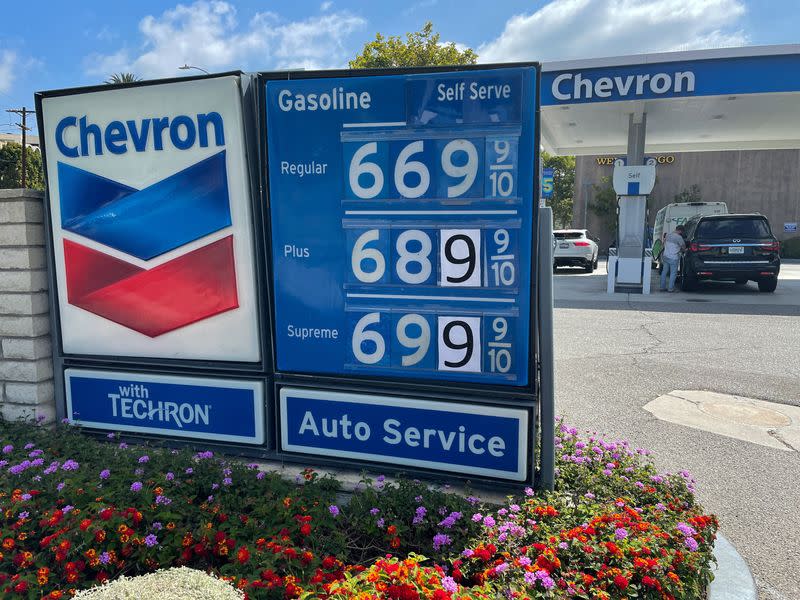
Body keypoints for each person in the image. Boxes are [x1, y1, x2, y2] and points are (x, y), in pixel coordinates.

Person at [660, 225, 686, 292]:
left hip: (665, 256)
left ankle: (662, 287)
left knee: (664, 272)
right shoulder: (679, 237)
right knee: (673, 273)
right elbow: (683, 247)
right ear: (680, 231)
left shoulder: (668, 235)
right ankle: (670, 288)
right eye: (682, 232)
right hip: (673, 258)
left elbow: (663, 244)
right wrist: (683, 250)